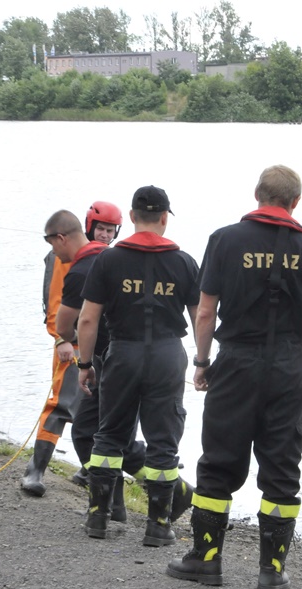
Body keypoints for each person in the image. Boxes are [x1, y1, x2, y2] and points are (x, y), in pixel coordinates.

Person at [166, 164, 302, 589]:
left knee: (220, 460)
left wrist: (202, 361)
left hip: (237, 361)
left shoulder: (225, 239)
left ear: (257, 195)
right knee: (282, 466)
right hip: (287, 365)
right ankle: (271, 571)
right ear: (295, 202)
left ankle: (206, 561)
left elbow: (205, 312)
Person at [76, 185, 199, 545]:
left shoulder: (108, 260)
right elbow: (201, 316)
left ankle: (98, 518)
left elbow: (87, 320)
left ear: (131, 218)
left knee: (110, 434)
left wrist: (85, 363)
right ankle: (158, 527)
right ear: (164, 218)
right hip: (166, 354)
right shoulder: (184, 262)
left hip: (122, 352)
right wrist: (204, 360)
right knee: (163, 441)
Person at [22, 201, 121, 497]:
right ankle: (35, 469)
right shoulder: (63, 257)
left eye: (109, 230)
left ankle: (87, 468)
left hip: (100, 346)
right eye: (100, 229)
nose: (104, 235)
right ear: (89, 227)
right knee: (62, 403)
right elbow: (54, 302)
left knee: (96, 409)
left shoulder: (107, 259)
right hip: (71, 343)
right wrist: (60, 339)